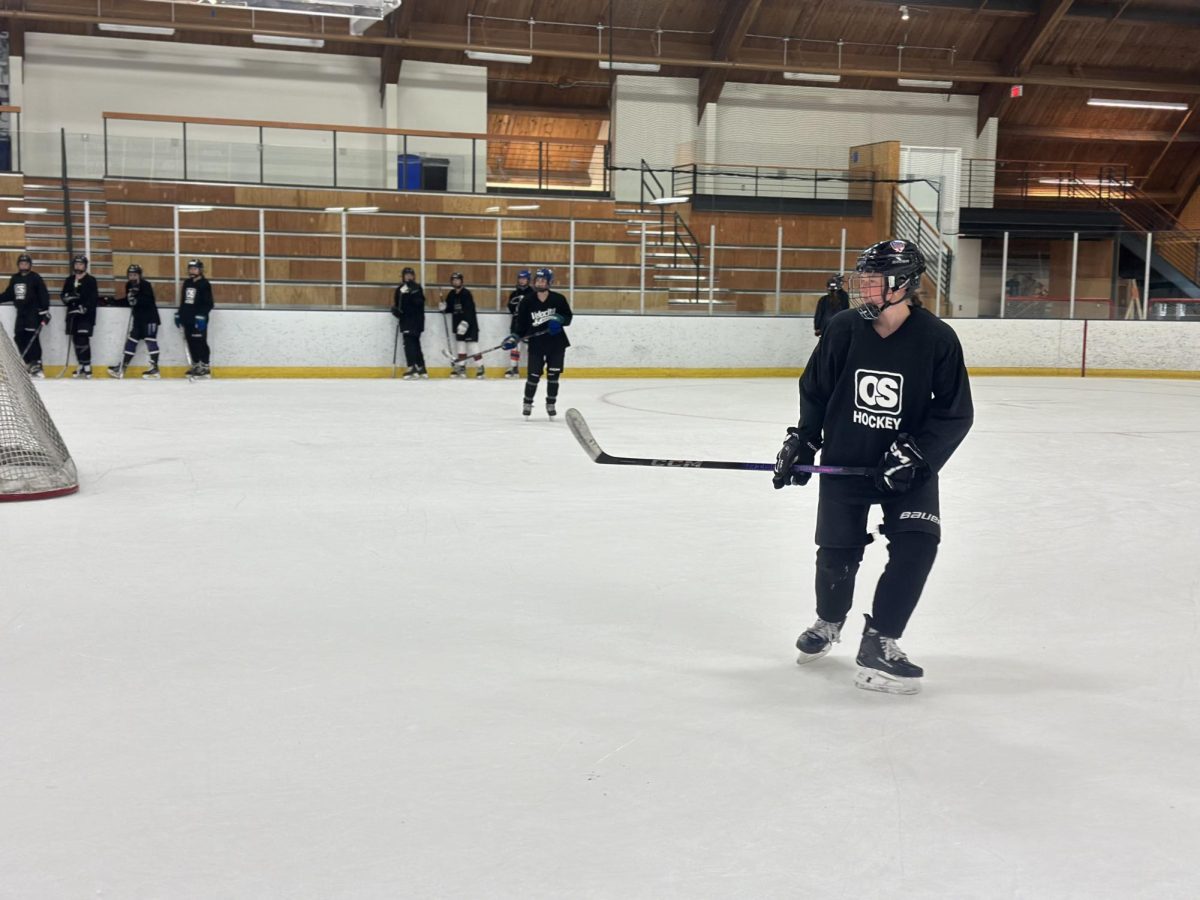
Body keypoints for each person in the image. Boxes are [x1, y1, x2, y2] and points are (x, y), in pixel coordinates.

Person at [772, 239, 973, 695]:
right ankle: (829, 620)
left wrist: (917, 455)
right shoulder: (843, 329)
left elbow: (956, 413)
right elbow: (816, 390)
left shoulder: (937, 339)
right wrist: (803, 439)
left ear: (905, 285)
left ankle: (881, 639)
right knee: (836, 553)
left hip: (906, 469)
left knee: (919, 546)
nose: (864, 288)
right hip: (847, 462)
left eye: (874, 280)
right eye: (862, 279)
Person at [508, 267, 572, 419]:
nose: (540, 283)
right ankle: (527, 403)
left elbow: (568, 317)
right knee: (533, 376)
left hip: (557, 344)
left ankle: (551, 403)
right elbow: (521, 325)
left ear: (549, 282)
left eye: (543, 280)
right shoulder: (527, 301)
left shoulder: (559, 299)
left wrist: (559, 320)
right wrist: (514, 337)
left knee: (553, 376)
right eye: (538, 280)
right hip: (536, 344)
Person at [0, 253, 51, 378]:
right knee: (19, 337)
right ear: (18, 265)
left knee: (32, 337)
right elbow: (9, 294)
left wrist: (44, 311)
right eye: (22, 263)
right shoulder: (15, 278)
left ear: (30, 265)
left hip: (33, 313)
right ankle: (29, 363)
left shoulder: (35, 278)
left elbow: (43, 295)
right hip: (21, 313)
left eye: (26, 263)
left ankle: (37, 364)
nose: (24, 265)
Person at [107, 264, 162, 380]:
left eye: (135, 275)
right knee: (131, 341)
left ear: (139, 275)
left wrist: (136, 298)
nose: (132, 277)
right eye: (130, 275)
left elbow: (148, 301)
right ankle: (122, 367)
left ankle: (155, 369)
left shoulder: (145, 285)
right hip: (138, 320)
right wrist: (114, 302)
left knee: (150, 340)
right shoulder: (129, 285)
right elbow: (128, 301)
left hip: (150, 319)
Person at [62, 254, 99, 379]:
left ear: (85, 266)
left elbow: (93, 298)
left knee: (83, 339)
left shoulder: (91, 280)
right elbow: (64, 295)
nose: (78, 266)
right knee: (76, 340)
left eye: (81, 264)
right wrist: (67, 298)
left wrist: (84, 306)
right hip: (73, 315)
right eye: (77, 264)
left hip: (86, 316)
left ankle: (87, 365)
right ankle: (81, 364)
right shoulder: (70, 280)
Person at [175, 259, 213, 379]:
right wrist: (179, 314)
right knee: (191, 342)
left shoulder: (204, 284)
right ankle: (196, 365)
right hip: (187, 318)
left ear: (200, 270)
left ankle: (205, 367)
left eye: (195, 268)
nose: (192, 271)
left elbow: (209, 303)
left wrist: (202, 315)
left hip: (199, 319)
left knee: (200, 342)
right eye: (190, 269)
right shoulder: (187, 283)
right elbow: (184, 301)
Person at [440, 272, 481, 379]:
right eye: (453, 280)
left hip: (469, 325)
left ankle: (480, 368)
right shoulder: (451, 294)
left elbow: (470, 310)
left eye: (457, 280)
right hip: (457, 325)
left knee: (472, 346)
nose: (455, 282)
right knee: (461, 346)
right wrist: (444, 308)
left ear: (461, 281)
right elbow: (450, 308)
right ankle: (462, 368)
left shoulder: (466, 293)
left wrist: (465, 323)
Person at [392, 266, 428, 380]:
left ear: (413, 276)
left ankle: (412, 366)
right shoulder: (400, 289)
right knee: (414, 343)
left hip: (416, 320)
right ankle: (421, 367)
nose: (408, 276)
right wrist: (396, 311)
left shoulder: (417, 287)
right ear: (403, 276)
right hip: (405, 320)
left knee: (410, 343)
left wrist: (411, 292)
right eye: (406, 274)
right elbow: (398, 304)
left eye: (410, 274)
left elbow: (420, 303)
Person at [505, 269, 534, 378]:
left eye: (524, 279)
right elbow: (511, 308)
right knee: (515, 345)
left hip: (528, 324)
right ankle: (514, 368)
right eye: (520, 279)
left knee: (529, 347)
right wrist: (516, 307)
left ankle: (532, 369)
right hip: (516, 323)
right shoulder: (514, 293)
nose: (522, 281)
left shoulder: (533, 293)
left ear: (528, 280)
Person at [813, 274, 849, 338]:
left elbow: (818, 314)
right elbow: (846, 311)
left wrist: (817, 327)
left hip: (825, 328)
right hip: (839, 327)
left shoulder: (823, 300)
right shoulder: (843, 298)